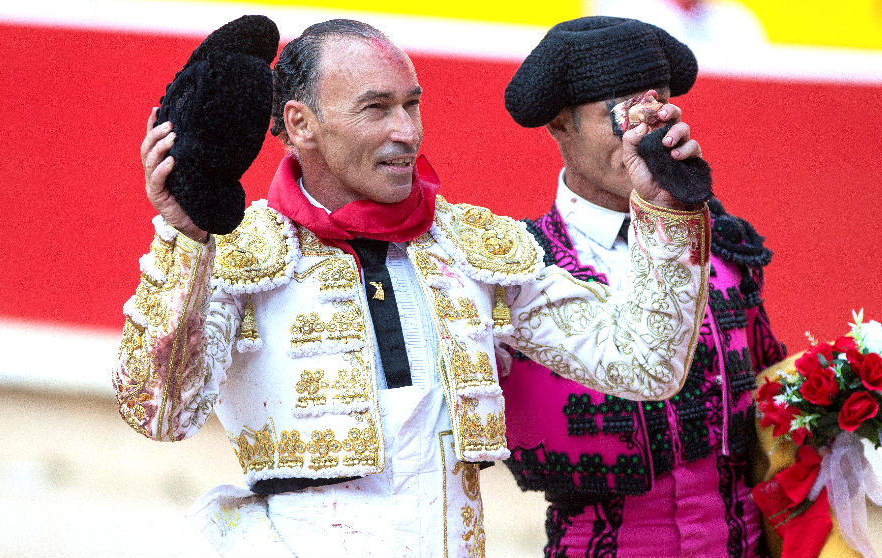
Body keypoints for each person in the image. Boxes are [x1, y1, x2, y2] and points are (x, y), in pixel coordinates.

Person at [114, 18, 712, 558]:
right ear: (301, 124)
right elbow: (159, 413)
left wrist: (663, 214)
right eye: (377, 108)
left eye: (412, 105)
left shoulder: (470, 249)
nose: (406, 131)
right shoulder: (240, 252)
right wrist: (185, 240)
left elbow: (645, 363)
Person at [499, 16, 788, 558]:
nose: (643, 136)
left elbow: (773, 398)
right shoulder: (518, 268)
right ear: (562, 123)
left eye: (654, 112)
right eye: (622, 115)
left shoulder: (725, 245)